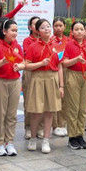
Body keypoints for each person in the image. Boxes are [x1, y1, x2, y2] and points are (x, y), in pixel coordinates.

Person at [24, 19, 63, 154]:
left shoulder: (57, 46)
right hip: (38, 78)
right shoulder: (33, 46)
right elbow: (27, 65)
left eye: (48, 26)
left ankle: (46, 139)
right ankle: (33, 138)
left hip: (52, 78)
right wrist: (41, 63)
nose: (46, 29)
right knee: (36, 111)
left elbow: (59, 66)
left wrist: (61, 85)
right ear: (38, 31)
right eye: (43, 27)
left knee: (50, 111)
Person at [0, 18, 25, 156]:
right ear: (4, 31)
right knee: (0, 113)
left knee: (11, 114)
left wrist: (19, 66)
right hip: (0, 81)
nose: (15, 33)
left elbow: (23, 62)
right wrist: (3, 61)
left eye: (16, 31)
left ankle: (9, 142)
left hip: (14, 81)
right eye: (12, 30)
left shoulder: (17, 46)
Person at [61, 20, 86, 150]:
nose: (79, 32)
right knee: (73, 107)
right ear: (72, 32)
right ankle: (72, 137)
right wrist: (76, 59)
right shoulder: (69, 45)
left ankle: (80, 135)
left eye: (82, 29)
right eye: (77, 29)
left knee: (83, 107)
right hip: (73, 75)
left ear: (85, 31)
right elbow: (64, 63)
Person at [49, 17, 70, 137]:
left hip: (66, 70)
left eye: (60, 25)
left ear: (64, 27)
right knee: (55, 97)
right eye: (56, 25)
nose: (58, 28)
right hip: (54, 70)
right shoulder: (50, 40)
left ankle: (62, 124)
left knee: (65, 98)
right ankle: (55, 125)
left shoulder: (69, 41)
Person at [22, 16, 40, 140]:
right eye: (35, 24)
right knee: (29, 100)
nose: (38, 27)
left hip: (42, 72)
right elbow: (30, 56)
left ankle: (41, 127)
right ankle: (28, 127)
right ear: (30, 27)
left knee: (42, 100)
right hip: (30, 71)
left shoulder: (47, 40)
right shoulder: (27, 41)